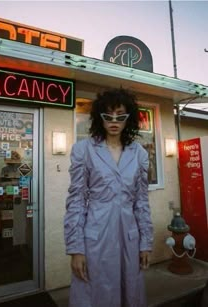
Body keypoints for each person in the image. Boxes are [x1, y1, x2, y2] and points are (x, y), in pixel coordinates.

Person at [64, 88, 154, 307]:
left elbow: (141, 201)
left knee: (129, 293)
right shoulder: (83, 150)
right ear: (99, 118)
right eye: (108, 116)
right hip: (96, 235)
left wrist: (145, 243)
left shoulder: (139, 154)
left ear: (129, 119)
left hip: (129, 237)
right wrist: (76, 249)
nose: (114, 121)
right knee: (95, 294)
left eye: (120, 116)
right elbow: (76, 200)